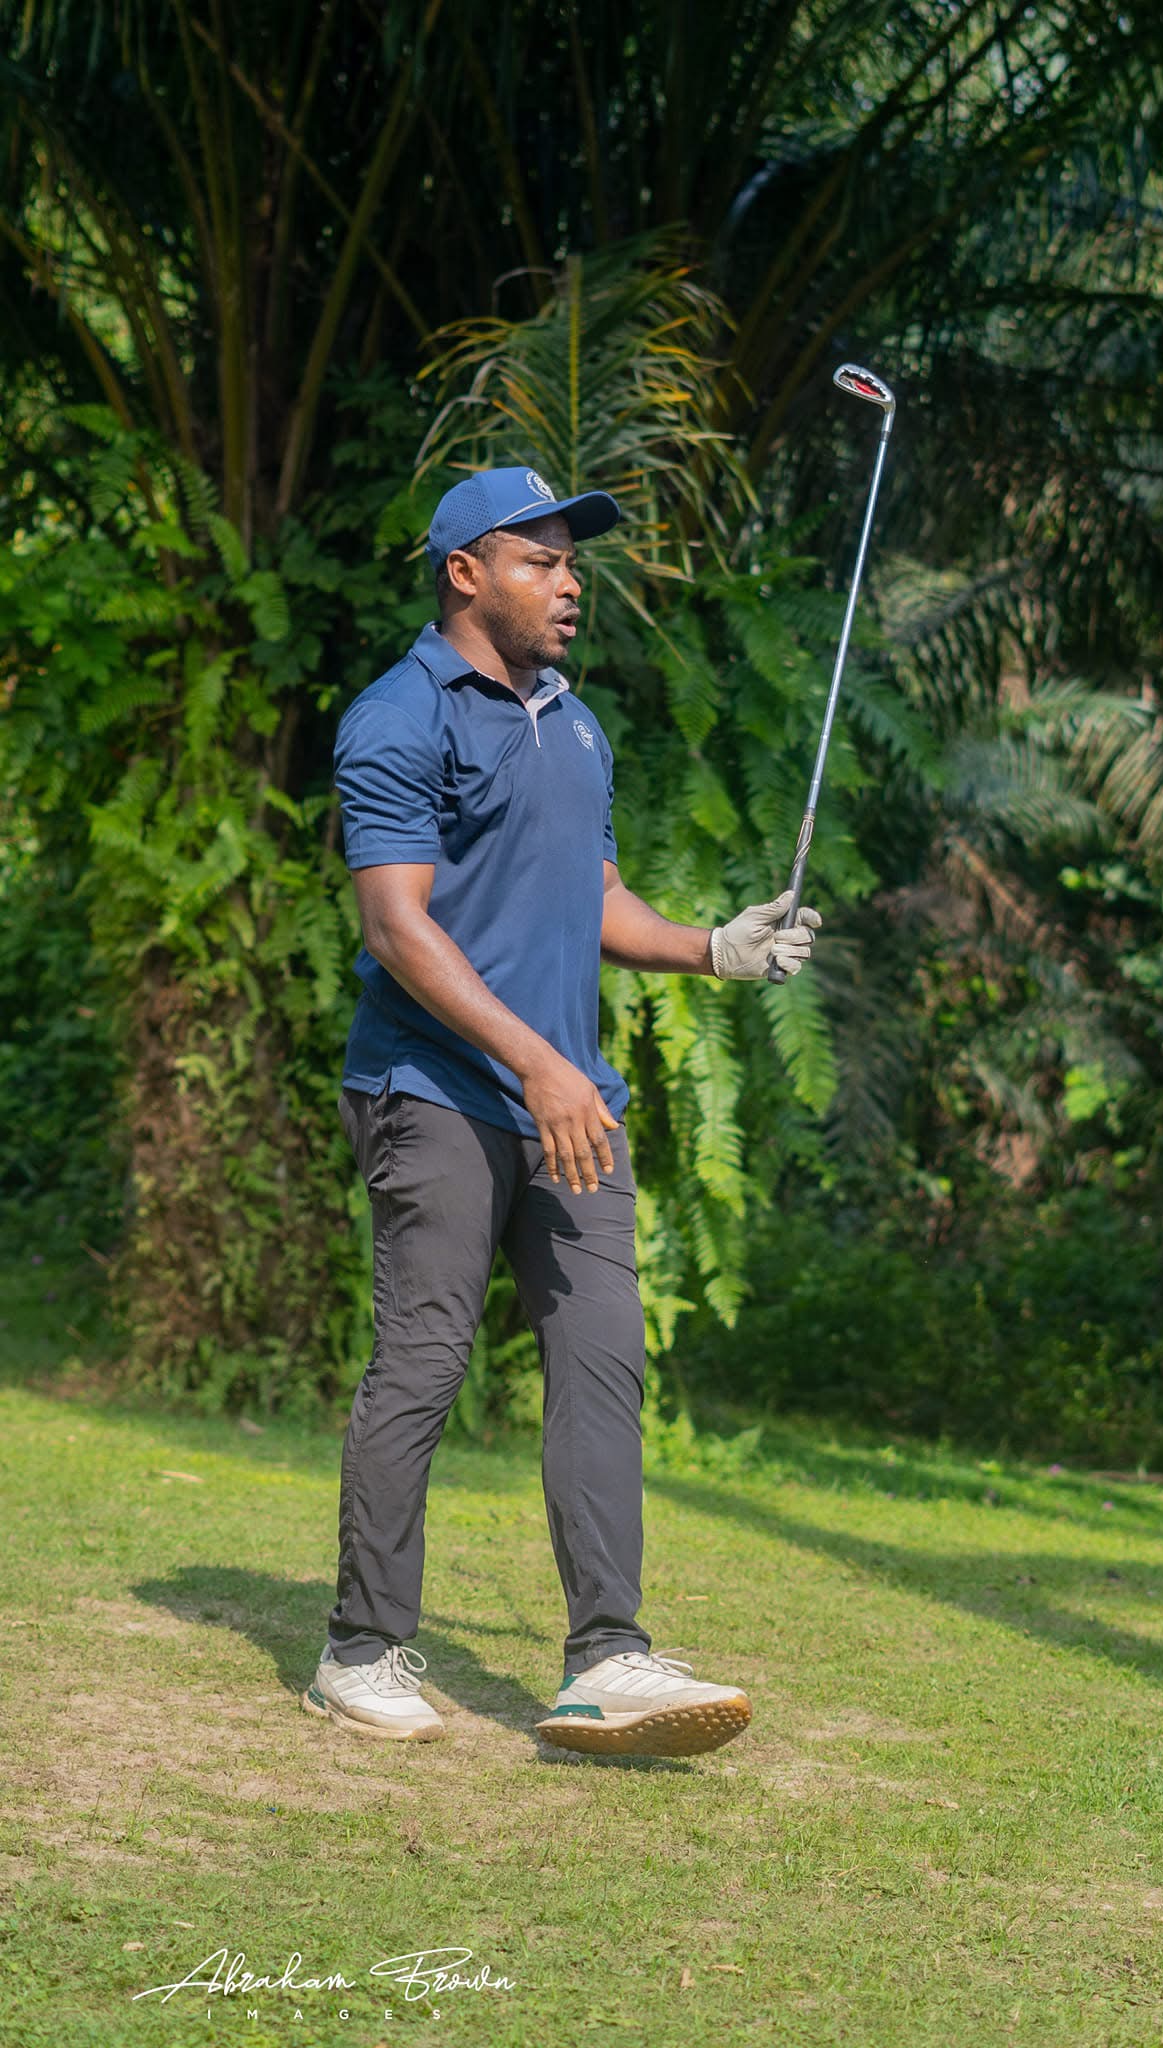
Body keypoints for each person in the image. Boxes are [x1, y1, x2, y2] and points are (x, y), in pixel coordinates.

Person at [302, 465, 820, 1757]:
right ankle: (360, 1649)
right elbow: (395, 924)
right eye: (538, 557)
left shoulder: (573, 723)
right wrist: (537, 1064)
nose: (570, 579)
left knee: (601, 1363)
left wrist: (716, 946)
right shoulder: (399, 717)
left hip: (568, 1103)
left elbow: (593, 899)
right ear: (463, 572)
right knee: (423, 1360)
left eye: (571, 560)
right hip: (435, 1092)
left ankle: (607, 1659)